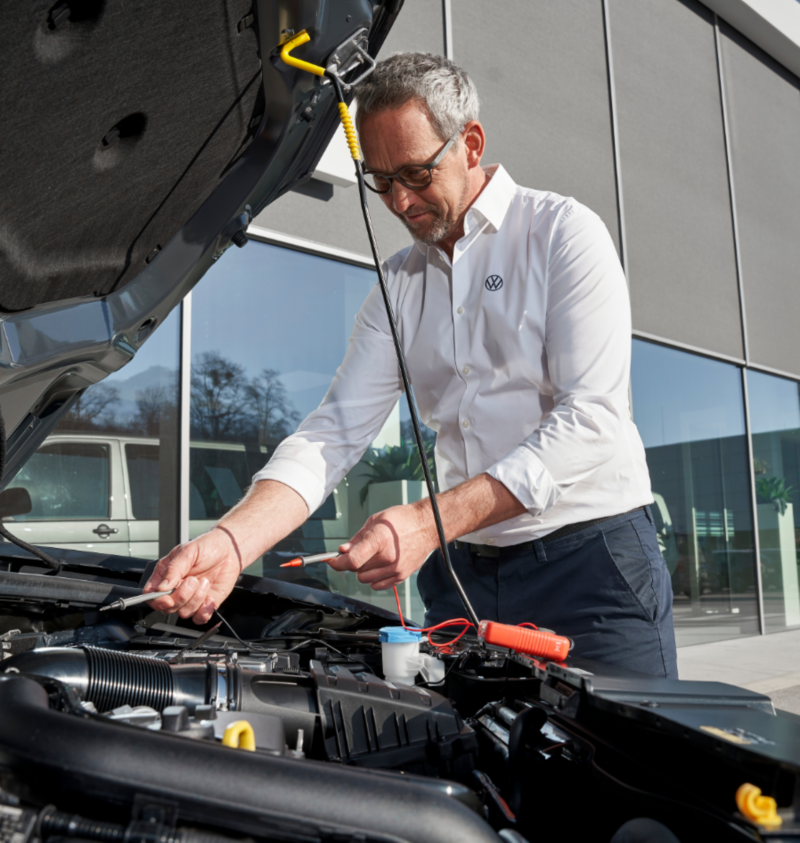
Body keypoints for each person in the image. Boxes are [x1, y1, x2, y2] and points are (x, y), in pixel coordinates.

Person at [145, 53, 677, 678]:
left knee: (622, 768)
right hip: (464, 576)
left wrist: (429, 521)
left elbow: (592, 420)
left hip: (593, 565)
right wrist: (232, 543)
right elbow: (334, 431)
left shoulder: (563, 235)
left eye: (416, 172)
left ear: (470, 143)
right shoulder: (396, 286)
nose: (399, 200)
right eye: (380, 180)